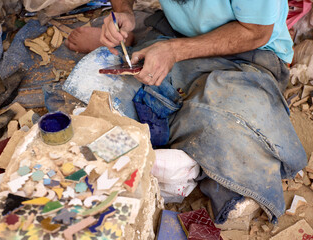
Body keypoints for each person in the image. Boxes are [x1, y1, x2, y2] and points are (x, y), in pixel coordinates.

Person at [67, 1, 307, 223]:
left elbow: (256, 31)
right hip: (172, 35)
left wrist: (173, 51)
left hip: (248, 56)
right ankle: (182, 157)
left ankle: (191, 162)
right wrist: (124, 11)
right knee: (96, 94)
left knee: (227, 125)